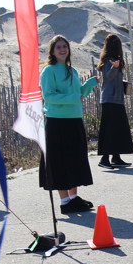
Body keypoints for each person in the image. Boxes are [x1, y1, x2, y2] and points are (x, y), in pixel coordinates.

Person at [40, 35, 97, 214]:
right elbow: (49, 96)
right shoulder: (48, 71)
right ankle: (65, 202)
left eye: (65, 46)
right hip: (57, 122)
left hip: (74, 120)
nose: (62, 49)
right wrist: (74, 97)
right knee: (60, 161)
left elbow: (79, 94)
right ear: (52, 51)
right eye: (58, 47)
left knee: (74, 160)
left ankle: (74, 198)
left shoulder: (72, 71)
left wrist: (90, 84)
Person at [95, 33, 133, 169]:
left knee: (118, 129)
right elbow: (109, 76)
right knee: (110, 130)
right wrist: (115, 67)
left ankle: (116, 157)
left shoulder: (115, 61)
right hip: (110, 100)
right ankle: (104, 159)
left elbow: (113, 79)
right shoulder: (108, 61)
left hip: (117, 100)